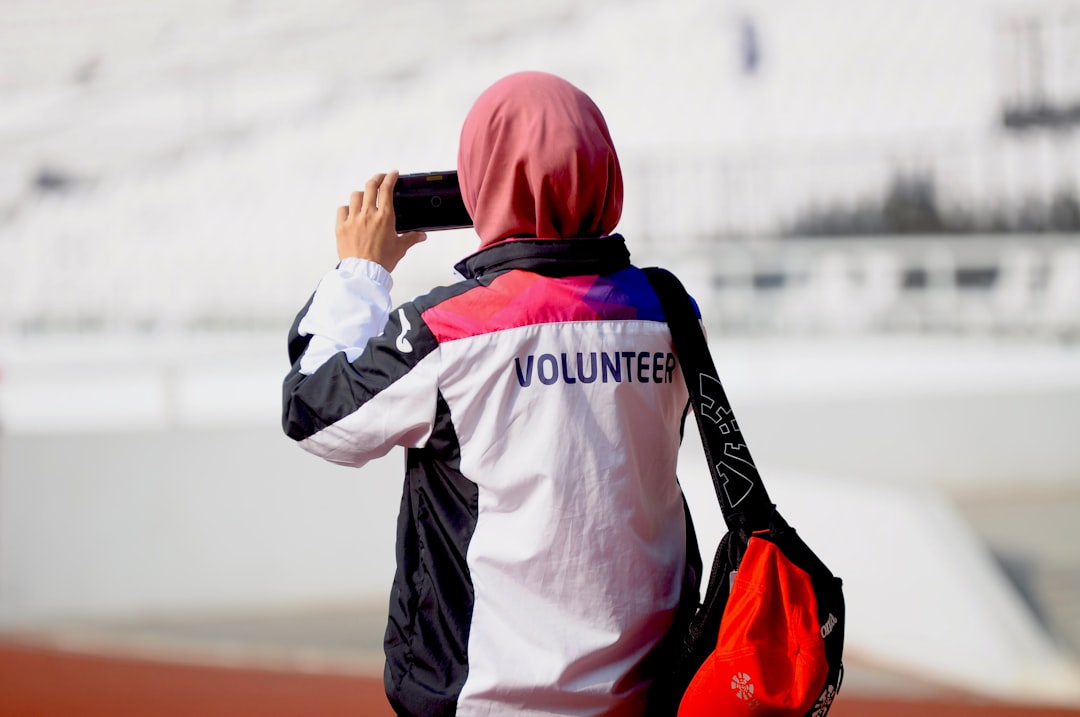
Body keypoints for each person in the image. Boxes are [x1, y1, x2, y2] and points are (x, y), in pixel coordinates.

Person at [282, 71, 700, 716]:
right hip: (650, 694)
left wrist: (360, 273)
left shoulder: (448, 331)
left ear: (483, 184)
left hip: (493, 700)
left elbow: (316, 411)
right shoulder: (672, 311)